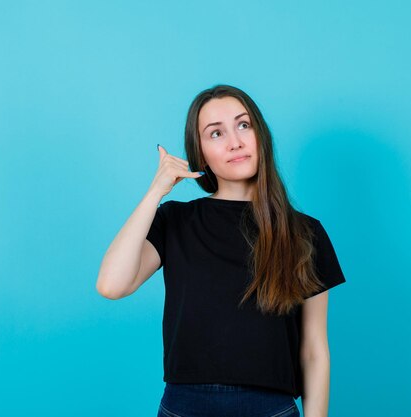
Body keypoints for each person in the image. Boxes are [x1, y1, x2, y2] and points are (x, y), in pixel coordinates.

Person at [96, 84, 346, 417]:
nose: (235, 142)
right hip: (185, 407)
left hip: (270, 408)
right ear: (199, 152)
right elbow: (112, 285)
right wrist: (156, 190)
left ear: (261, 135)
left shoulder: (304, 232)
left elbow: (314, 350)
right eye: (216, 133)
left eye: (244, 125)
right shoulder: (176, 221)